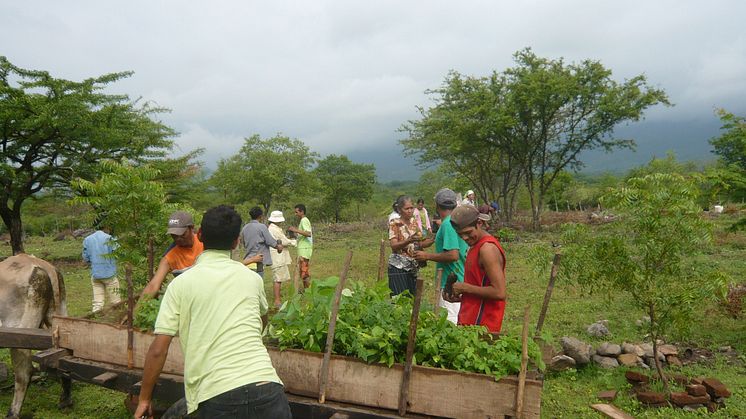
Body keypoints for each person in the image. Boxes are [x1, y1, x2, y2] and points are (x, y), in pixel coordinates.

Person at [134, 205, 291, 419]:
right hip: (269, 391)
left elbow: (158, 350)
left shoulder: (180, 285)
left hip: (217, 396)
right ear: (237, 241)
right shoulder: (252, 279)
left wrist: (144, 399)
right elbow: (261, 322)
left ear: (199, 234)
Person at [445, 204, 507, 333]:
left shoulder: (487, 249)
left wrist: (465, 288)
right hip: (470, 321)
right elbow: (481, 286)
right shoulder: (474, 245)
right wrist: (463, 296)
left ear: (479, 223)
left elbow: (499, 292)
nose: (464, 238)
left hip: (483, 326)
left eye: (468, 233)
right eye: (460, 235)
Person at [413, 189, 467, 324]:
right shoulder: (455, 221)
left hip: (451, 281)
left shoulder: (448, 224)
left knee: (450, 322)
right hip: (460, 276)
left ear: (437, 206)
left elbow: (453, 254)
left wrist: (427, 256)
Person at [141, 211, 204, 297]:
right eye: (174, 236)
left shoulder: (205, 242)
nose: (178, 239)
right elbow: (153, 285)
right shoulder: (170, 256)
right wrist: (137, 310)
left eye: (182, 234)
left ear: (191, 228)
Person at [387, 195, 425, 296]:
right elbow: (394, 246)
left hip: (412, 266)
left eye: (411, 208)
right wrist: (409, 240)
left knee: (412, 298)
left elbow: (420, 241)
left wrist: (432, 240)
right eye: (406, 208)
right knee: (399, 298)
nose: (410, 211)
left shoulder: (413, 222)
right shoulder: (395, 223)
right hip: (398, 266)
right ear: (400, 210)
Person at [82, 222, 121, 312]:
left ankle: (95, 318)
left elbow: (86, 258)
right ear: (106, 226)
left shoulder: (87, 239)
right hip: (109, 275)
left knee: (97, 303)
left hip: (96, 275)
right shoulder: (110, 238)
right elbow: (118, 253)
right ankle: (117, 320)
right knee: (116, 302)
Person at [240, 207, 283, 278]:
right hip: (258, 262)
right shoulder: (262, 227)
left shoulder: (245, 228)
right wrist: (278, 246)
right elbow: (270, 241)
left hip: (247, 261)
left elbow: (243, 243)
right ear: (260, 216)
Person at [267, 210, 297, 308]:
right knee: (278, 278)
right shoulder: (274, 229)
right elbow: (283, 241)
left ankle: (278, 298)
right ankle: (277, 300)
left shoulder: (274, 228)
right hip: (277, 255)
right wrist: (293, 242)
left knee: (278, 277)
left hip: (278, 254)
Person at [287, 204, 312, 288]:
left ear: (302, 211)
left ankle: (308, 290)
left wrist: (295, 230)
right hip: (302, 248)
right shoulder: (302, 221)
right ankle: (306, 289)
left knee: (304, 271)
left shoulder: (304, 220)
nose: (295, 214)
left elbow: (308, 233)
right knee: (302, 270)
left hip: (305, 249)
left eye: (296, 212)